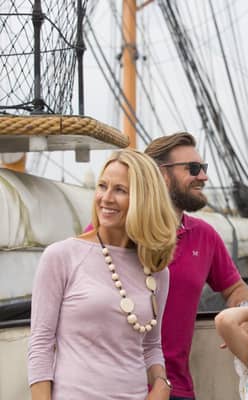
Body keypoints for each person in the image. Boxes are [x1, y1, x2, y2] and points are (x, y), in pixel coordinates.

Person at [28, 149, 178, 400]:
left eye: (120, 190)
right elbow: (40, 344)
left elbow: (151, 345)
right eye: (102, 186)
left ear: (144, 199)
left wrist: (162, 385)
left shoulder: (157, 271)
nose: (105, 198)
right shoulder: (62, 255)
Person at [144, 132, 248, 400]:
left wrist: (243, 317)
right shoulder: (116, 231)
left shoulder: (204, 236)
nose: (203, 177)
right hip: (114, 386)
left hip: (176, 388)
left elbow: (236, 288)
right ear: (161, 175)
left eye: (203, 168)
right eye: (193, 169)